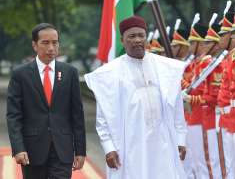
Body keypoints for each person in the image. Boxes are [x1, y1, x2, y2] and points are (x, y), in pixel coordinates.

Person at [84, 15, 187, 179]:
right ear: (123, 40)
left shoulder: (166, 67)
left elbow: (176, 107)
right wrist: (108, 147)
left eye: (141, 35)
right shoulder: (109, 73)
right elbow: (103, 117)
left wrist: (181, 138)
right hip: (130, 144)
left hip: (164, 141)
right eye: (132, 36)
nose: (138, 40)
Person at [6, 23, 86, 179]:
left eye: (55, 42)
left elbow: (77, 115)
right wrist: (18, 148)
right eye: (45, 43)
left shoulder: (70, 73)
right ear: (34, 45)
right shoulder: (20, 75)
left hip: (62, 149)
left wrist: (81, 150)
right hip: (32, 151)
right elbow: (13, 115)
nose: (51, 48)